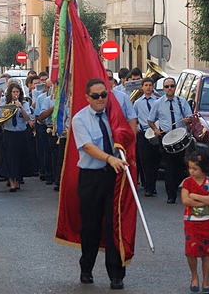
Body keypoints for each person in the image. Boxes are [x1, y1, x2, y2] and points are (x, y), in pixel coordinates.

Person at [71, 78, 129, 290]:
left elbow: (126, 133)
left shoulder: (113, 116)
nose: (100, 99)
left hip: (112, 177)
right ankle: (86, 267)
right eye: (95, 96)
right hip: (91, 178)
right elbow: (87, 147)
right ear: (87, 97)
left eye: (103, 95)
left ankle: (116, 274)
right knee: (90, 227)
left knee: (113, 226)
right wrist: (109, 158)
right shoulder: (79, 119)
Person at [180, 150, 209, 294]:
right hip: (191, 221)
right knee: (191, 251)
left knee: (206, 252)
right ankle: (194, 276)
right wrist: (204, 201)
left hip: (207, 222)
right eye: (190, 168)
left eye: (195, 168)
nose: (192, 171)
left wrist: (195, 197)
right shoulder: (186, 182)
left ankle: (206, 281)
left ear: (204, 168)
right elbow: (185, 200)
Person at [148, 77, 193, 203]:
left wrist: (187, 120)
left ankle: (178, 187)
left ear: (175, 87)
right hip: (165, 137)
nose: (169, 89)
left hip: (179, 137)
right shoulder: (158, 103)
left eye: (172, 86)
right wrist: (156, 130)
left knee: (179, 166)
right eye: (167, 87)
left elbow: (190, 118)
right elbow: (150, 120)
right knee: (168, 167)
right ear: (163, 89)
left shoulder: (181, 101)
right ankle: (171, 195)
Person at [0, 82, 31, 192]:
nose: (15, 94)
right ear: (10, 93)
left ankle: (17, 180)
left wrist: (21, 107)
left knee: (19, 158)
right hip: (9, 133)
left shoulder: (25, 103)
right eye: (13, 92)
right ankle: (11, 182)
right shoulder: (5, 102)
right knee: (10, 158)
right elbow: (0, 117)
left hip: (21, 133)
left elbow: (27, 118)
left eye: (17, 92)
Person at [133, 77, 160, 196]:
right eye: (146, 85)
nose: (148, 87)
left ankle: (153, 184)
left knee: (156, 160)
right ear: (142, 87)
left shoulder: (158, 101)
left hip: (155, 132)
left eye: (150, 85)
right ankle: (149, 187)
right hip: (143, 133)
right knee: (145, 161)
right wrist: (136, 127)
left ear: (153, 87)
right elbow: (134, 117)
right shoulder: (138, 102)